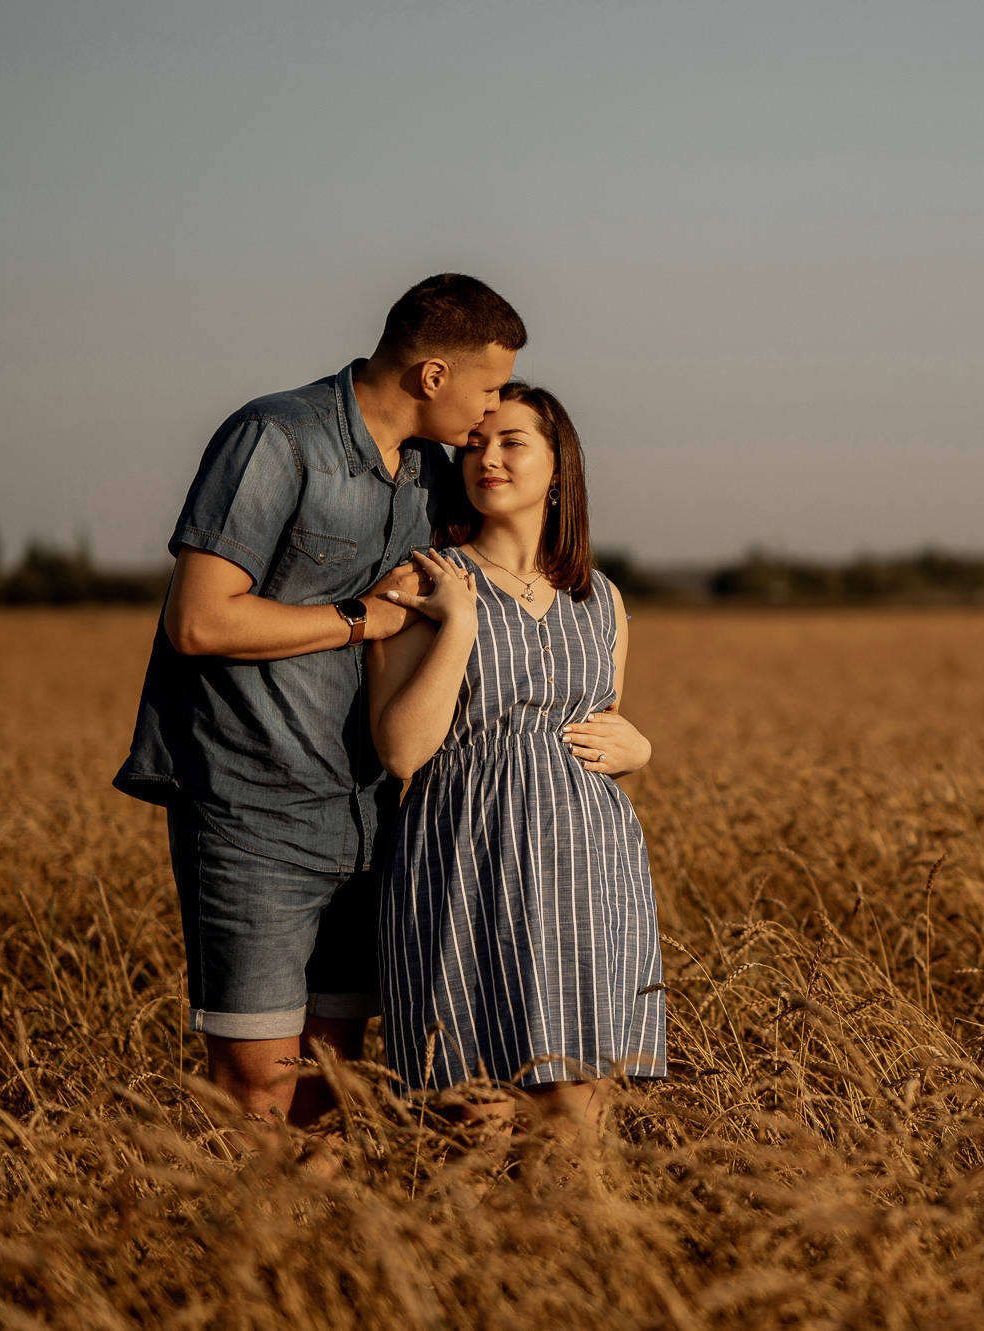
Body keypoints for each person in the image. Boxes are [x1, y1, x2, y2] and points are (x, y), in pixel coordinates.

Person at [113, 275, 638, 1130]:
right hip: (254, 809)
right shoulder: (277, 439)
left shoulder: (432, 476)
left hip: (374, 818)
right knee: (256, 1091)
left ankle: (319, 1263)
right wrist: (361, 618)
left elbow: (520, 594)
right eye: (486, 388)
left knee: (332, 1093)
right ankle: (233, 1255)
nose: (489, 413)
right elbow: (199, 621)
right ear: (433, 376)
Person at [368, 383, 663, 1127]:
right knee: (475, 1113)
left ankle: (578, 1246)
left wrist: (641, 750)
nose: (486, 457)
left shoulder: (602, 599)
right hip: (463, 856)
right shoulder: (425, 582)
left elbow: (603, 730)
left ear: (559, 466)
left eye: (510, 442)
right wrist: (460, 623)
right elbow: (402, 751)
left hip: (586, 867)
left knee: (577, 1105)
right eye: (473, 444)